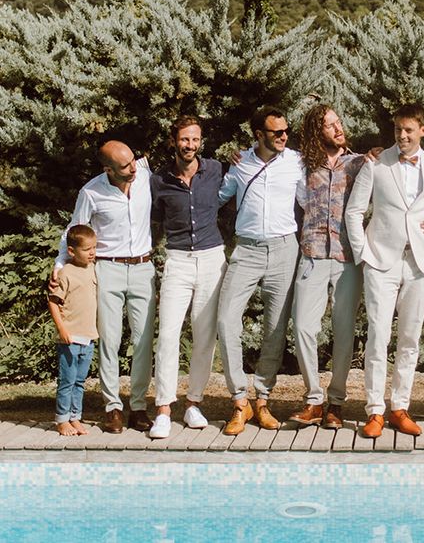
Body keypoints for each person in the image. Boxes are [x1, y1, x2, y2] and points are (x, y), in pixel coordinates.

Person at [345, 103, 424, 438]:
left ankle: (400, 406)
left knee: (410, 337)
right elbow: (354, 212)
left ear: (423, 131)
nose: (402, 136)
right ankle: (374, 410)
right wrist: (364, 254)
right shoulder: (375, 163)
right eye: (398, 130)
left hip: (419, 261)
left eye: (409, 130)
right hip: (381, 261)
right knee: (378, 336)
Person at [52, 140, 156, 434]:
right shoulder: (92, 191)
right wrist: (60, 266)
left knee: (144, 341)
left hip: (143, 267)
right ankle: (113, 407)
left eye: (134, 161)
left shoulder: (144, 174)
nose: (133, 168)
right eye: (125, 166)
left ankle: (138, 405)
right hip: (107, 268)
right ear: (108, 169)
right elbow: (74, 230)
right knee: (110, 341)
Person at [217, 106, 303, 435]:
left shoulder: (295, 161)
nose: (283, 137)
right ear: (258, 135)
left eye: (285, 131)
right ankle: (240, 401)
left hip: (285, 249)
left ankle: (262, 400)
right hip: (247, 249)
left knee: (275, 329)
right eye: (276, 132)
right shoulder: (241, 164)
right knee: (226, 320)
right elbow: (217, 197)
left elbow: (316, 195)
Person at [148, 116, 228, 439]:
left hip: (212, 259)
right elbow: (153, 221)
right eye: (184, 139)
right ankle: (164, 409)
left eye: (195, 140)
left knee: (204, 335)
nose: (190, 145)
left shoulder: (216, 170)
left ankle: (194, 402)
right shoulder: (160, 180)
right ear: (174, 141)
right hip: (178, 260)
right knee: (167, 335)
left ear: (200, 141)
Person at [288, 104, 366, 429]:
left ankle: (336, 402)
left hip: (348, 258)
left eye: (338, 121)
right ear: (316, 132)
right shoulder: (301, 166)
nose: (338, 128)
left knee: (344, 331)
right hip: (313, 254)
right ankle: (313, 400)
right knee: (304, 327)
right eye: (329, 125)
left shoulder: (359, 163)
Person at [47, 225, 99, 436]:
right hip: (69, 338)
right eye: (87, 249)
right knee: (67, 381)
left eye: (94, 247)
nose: (92, 252)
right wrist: (62, 330)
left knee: (79, 381)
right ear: (71, 251)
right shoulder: (66, 273)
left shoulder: (92, 269)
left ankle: (75, 417)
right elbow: (53, 301)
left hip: (88, 337)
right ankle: (62, 419)